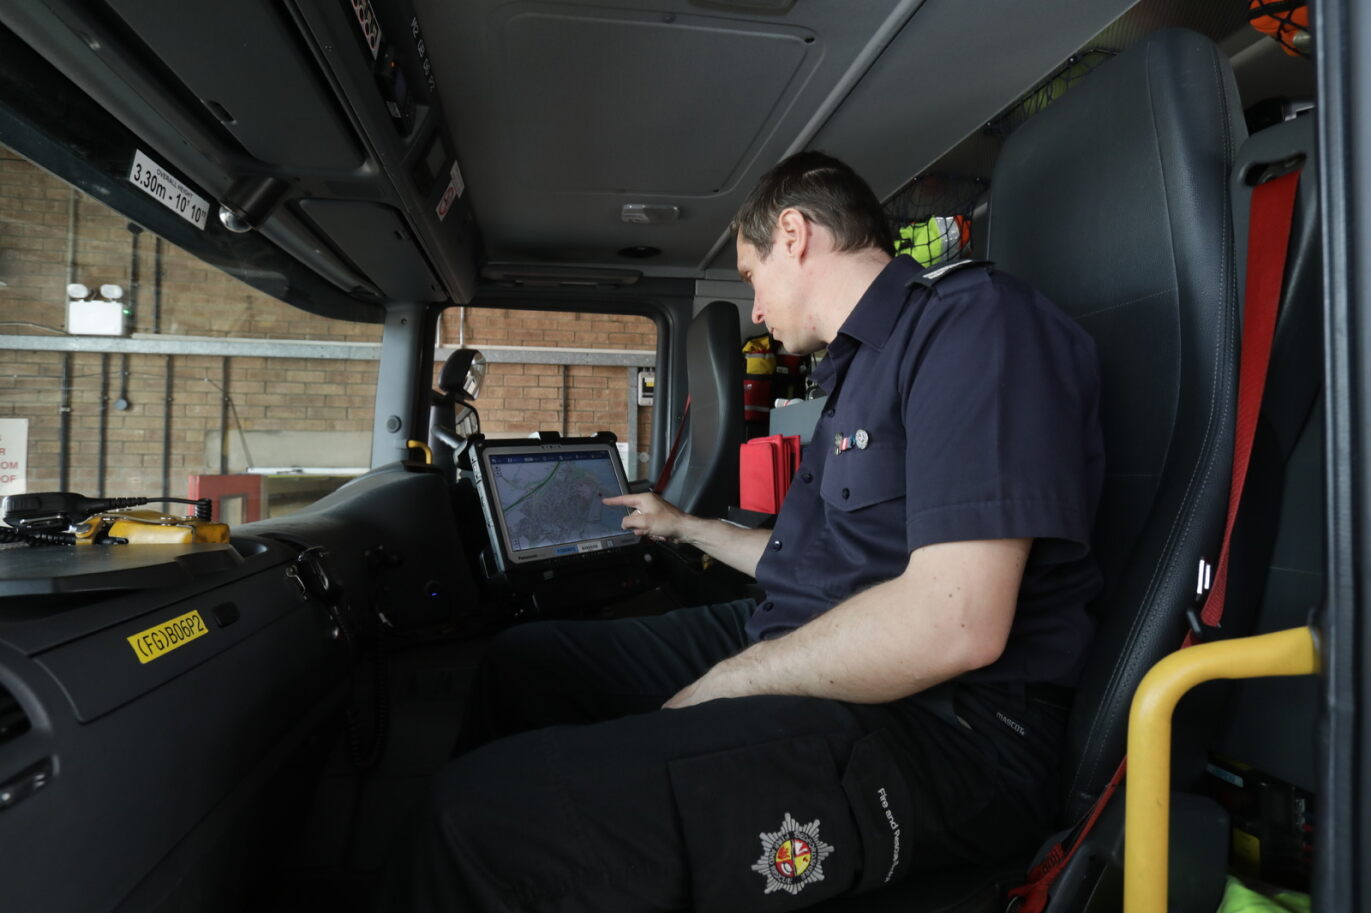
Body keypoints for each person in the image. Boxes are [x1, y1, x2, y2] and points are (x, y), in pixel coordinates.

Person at [383, 151, 1104, 912]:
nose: (754, 308)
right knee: (522, 662)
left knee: (470, 822)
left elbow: (953, 623)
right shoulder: (860, 368)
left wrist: (730, 682)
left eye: (750, 273)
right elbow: (815, 566)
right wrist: (686, 527)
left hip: (949, 731)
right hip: (809, 637)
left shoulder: (974, 324)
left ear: (793, 234)